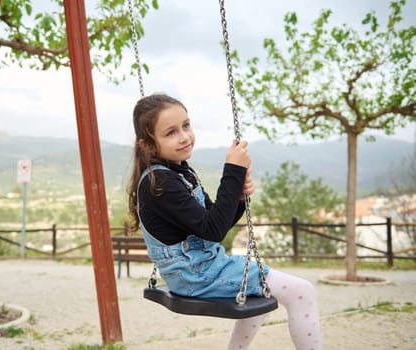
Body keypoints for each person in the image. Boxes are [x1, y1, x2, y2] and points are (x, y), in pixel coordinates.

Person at [127, 93, 322, 349]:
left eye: (186, 125)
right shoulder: (161, 183)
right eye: (171, 132)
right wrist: (232, 172)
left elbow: (215, 220)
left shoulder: (181, 171)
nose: (185, 136)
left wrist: (238, 198)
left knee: (259, 296)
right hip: (196, 276)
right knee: (302, 291)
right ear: (148, 145)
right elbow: (213, 230)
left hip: (204, 269)